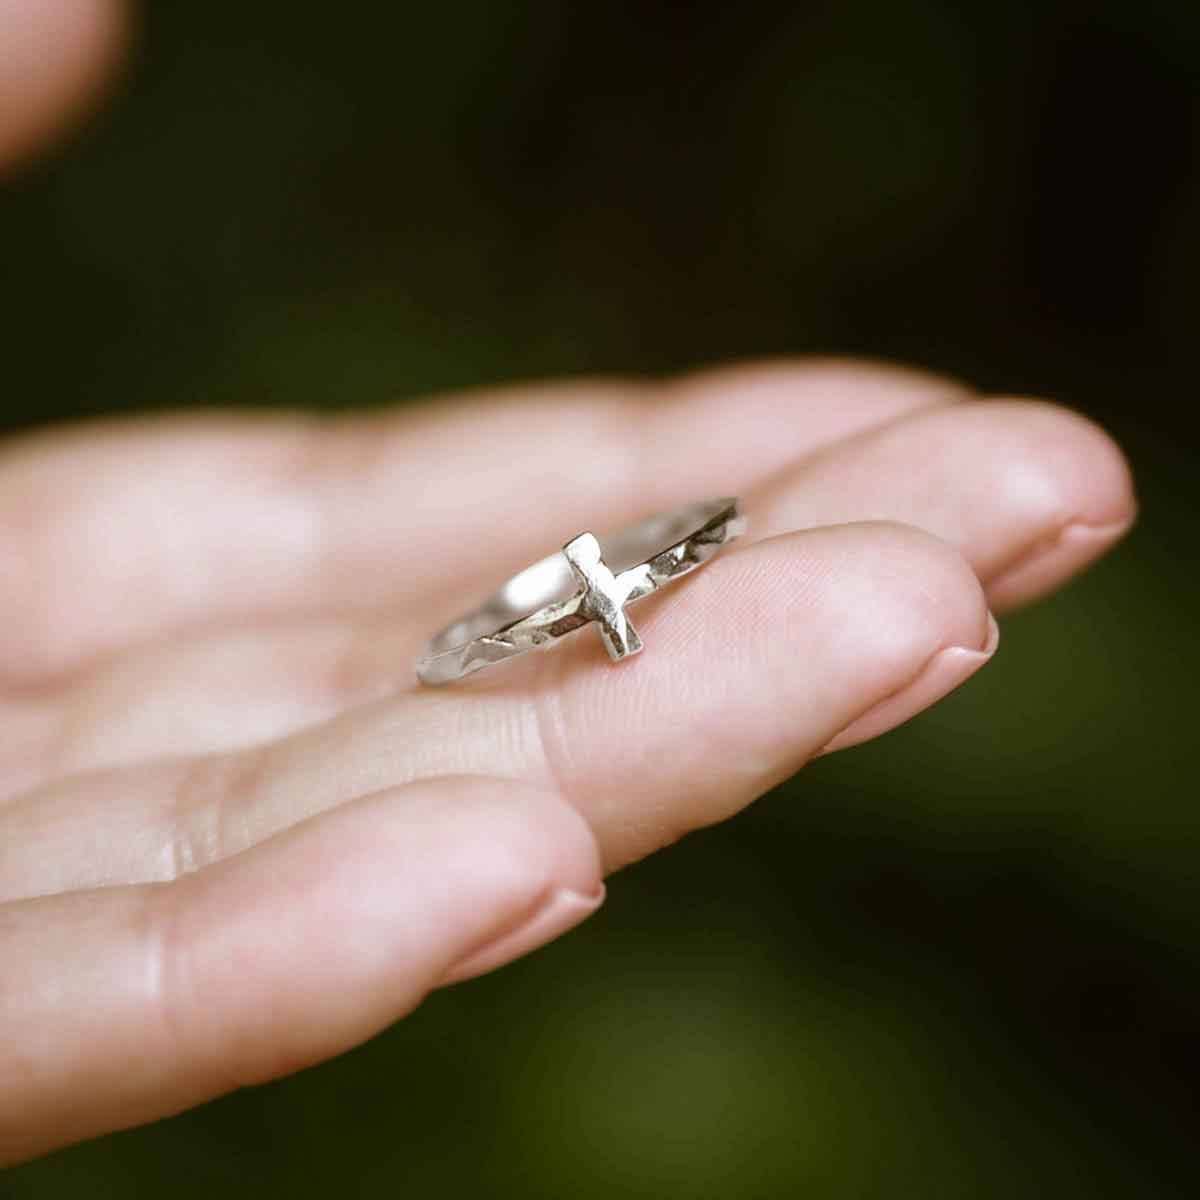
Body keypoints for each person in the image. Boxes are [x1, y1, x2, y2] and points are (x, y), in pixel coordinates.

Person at [0, 0, 1136, 1165]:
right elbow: (486, 634)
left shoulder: (636, 562)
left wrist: (614, 592)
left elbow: (677, 541)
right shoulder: (543, 611)